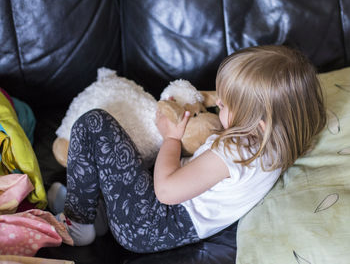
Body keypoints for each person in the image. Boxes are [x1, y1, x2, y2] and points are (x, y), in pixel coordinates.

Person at [48, 45, 326, 252]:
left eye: (226, 105)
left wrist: (172, 138)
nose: (218, 105)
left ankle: (78, 221)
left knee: (94, 123)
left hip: (153, 223)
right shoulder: (279, 141)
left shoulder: (234, 153)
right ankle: (100, 216)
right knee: (119, 157)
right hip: (158, 221)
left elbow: (167, 191)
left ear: (260, 123)